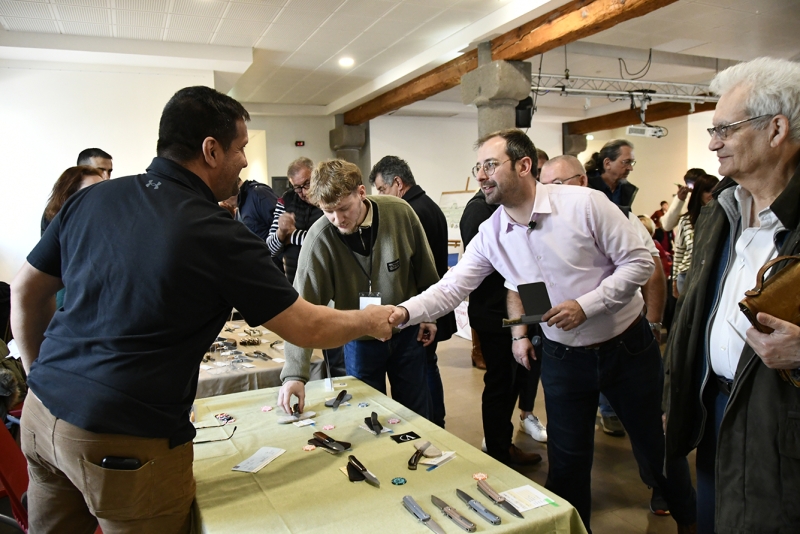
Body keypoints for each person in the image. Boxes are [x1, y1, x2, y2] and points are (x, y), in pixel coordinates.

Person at [10, 86, 392, 534]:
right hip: (125, 438)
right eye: (240, 148)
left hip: (39, 418)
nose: (245, 161)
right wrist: (369, 319)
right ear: (211, 150)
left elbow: (25, 291)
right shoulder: (215, 232)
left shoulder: (92, 199)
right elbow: (307, 326)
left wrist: (40, 378)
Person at [387, 129, 696, 533]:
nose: (480, 175)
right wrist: (399, 313)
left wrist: (586, 306)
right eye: (477, 167)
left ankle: (691, 522)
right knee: (567, 463)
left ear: (524, 165)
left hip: (627, 349)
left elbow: (639, 263)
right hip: (564, 358)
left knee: (657, 449)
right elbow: (453, 288)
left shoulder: (585, 204)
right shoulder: (492, 233)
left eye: (490, 165)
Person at [664, 57, 800, 534]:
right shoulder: (723, 208)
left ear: (776, 129)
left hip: (782, 428)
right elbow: (695, 314)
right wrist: (676, 393)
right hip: (714, 410)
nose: (712, 143)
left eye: (725, 128)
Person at [540, 155, 671, 516]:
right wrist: (528, 329)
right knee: (567, 447)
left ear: (582, 181)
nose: (550, 193)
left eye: (558, 184)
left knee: (647, 430)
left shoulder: (614, 214)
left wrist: (654, 324)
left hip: (625, 343)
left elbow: (650, 270)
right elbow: (526, 278)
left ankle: (664, 489)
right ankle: (571, 515)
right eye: (544, 186)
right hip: (565, 353)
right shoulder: (535, 224)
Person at [278, 159, 440, 419]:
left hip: (406, 332)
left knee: (415, 412)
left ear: (361, 192)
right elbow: (301, 310)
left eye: (344, 208)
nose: (338, 219)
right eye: (328, 211)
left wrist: (429, 316)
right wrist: (295, 375)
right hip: (359, 340)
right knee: (368, 415)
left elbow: (426, 271)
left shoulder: (400, 213)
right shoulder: (319, 239)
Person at [460, 173, 545, 467]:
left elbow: (529, 268)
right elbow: (510, 268)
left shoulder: (514, 207)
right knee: (501, 382)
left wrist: (537, 315)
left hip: (520, 309)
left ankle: (505, 437)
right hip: (497, 314)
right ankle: (498, 448)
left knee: (519, 376)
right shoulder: (480, 210)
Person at [368, 155, 456, 428]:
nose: (380, 197)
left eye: (382, 189)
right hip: (428, 304)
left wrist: (419, 314)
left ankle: (433, 424)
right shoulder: (429, 205)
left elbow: (416, 268)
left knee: (423, 370)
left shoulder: (409, 212)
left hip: (419, 308)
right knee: (428, 366)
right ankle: (436, 422)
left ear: (398, 183)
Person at [39, 166, 106, 309]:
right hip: (67, 288)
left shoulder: (104, 221)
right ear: (69, 196)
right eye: (90, 192)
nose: (99, 197)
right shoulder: (56, 221)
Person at [266, 157, 324, 284]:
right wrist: (281, 232)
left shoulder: (327, 198)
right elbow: (270, 250)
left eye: (307, 183)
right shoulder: (286, 200)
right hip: (293, 280)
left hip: (322, 277)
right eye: (297, 187)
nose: (304, 192)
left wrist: (292, 235)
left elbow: (326, 242)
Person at [671, 174, 719, 298]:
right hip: (687, 274)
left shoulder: (721, 219)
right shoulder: (686, 220)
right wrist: (674, 279)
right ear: (699, 193)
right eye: (707, 191)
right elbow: (679, 250)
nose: (711, 195)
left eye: (715, 191)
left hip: (711, 275)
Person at [584, 139, 637, 212]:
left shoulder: (626, 190)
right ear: (607, 163)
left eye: (631, 163)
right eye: (626, 162)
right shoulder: (585, 186)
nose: (630, 168)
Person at [660, 168, 709, 233]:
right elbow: (667, 226)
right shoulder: (683, 199)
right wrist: (679, 200)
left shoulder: (709, 197)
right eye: (690, 185)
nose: (693, 189)